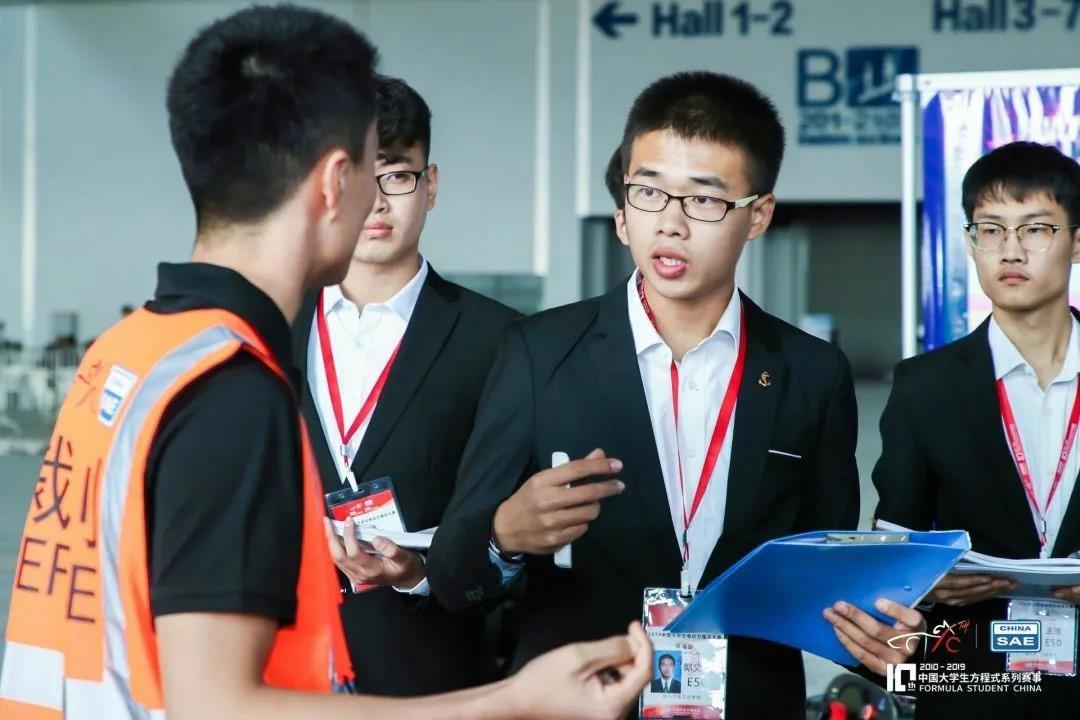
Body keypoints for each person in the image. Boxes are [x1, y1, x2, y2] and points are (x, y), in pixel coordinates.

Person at [0, 6, 651, 720]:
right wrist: (513, 702)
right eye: (373, 170)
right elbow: (215, 706)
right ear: (338, 182)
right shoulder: (230, 389)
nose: (381, 198)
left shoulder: (131, 351)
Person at [428, 71, 924, 719]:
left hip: (748, 703)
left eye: (704, 199)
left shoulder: (811, 373)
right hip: (582, 702)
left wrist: (896, 645)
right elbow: (451, 577)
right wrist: (503, 534)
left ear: (758, 215)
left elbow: (819, 579)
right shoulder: (538, 353)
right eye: (649, 191)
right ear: (622, 209)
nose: (671, 223)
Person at [294, 74, 519, 695]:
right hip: (281, 673)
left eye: (395, 175)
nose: (375, 202)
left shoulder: (499, 340)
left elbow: (515, 539)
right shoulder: (268, 327)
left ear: (431, 185)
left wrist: (419, 573)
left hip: (429, 674)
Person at [873, 141, 1080, 718]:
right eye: (990, 230)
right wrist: (925, 584)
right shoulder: (924, 386)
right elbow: (891, 554)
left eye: (1035, 229)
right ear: (970, 242)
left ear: (1077, 241)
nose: (1010, 250)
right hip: (972, 683)